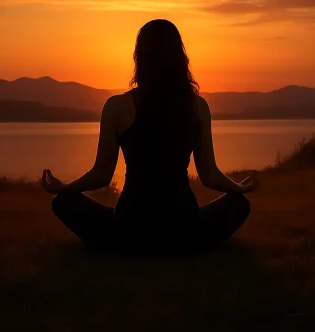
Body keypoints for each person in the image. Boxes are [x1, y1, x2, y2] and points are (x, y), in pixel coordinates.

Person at [41, 19, 257, 253]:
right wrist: (238, 188)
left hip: (129, 229)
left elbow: (101, 175)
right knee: (239, 204)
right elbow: (210, 175)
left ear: (139, 57)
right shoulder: (198, 107)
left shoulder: (117, 107)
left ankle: (122, 244)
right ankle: (184, 244)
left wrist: (65, 187)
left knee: (63, 202)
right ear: (180, 57)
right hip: (186, 228)